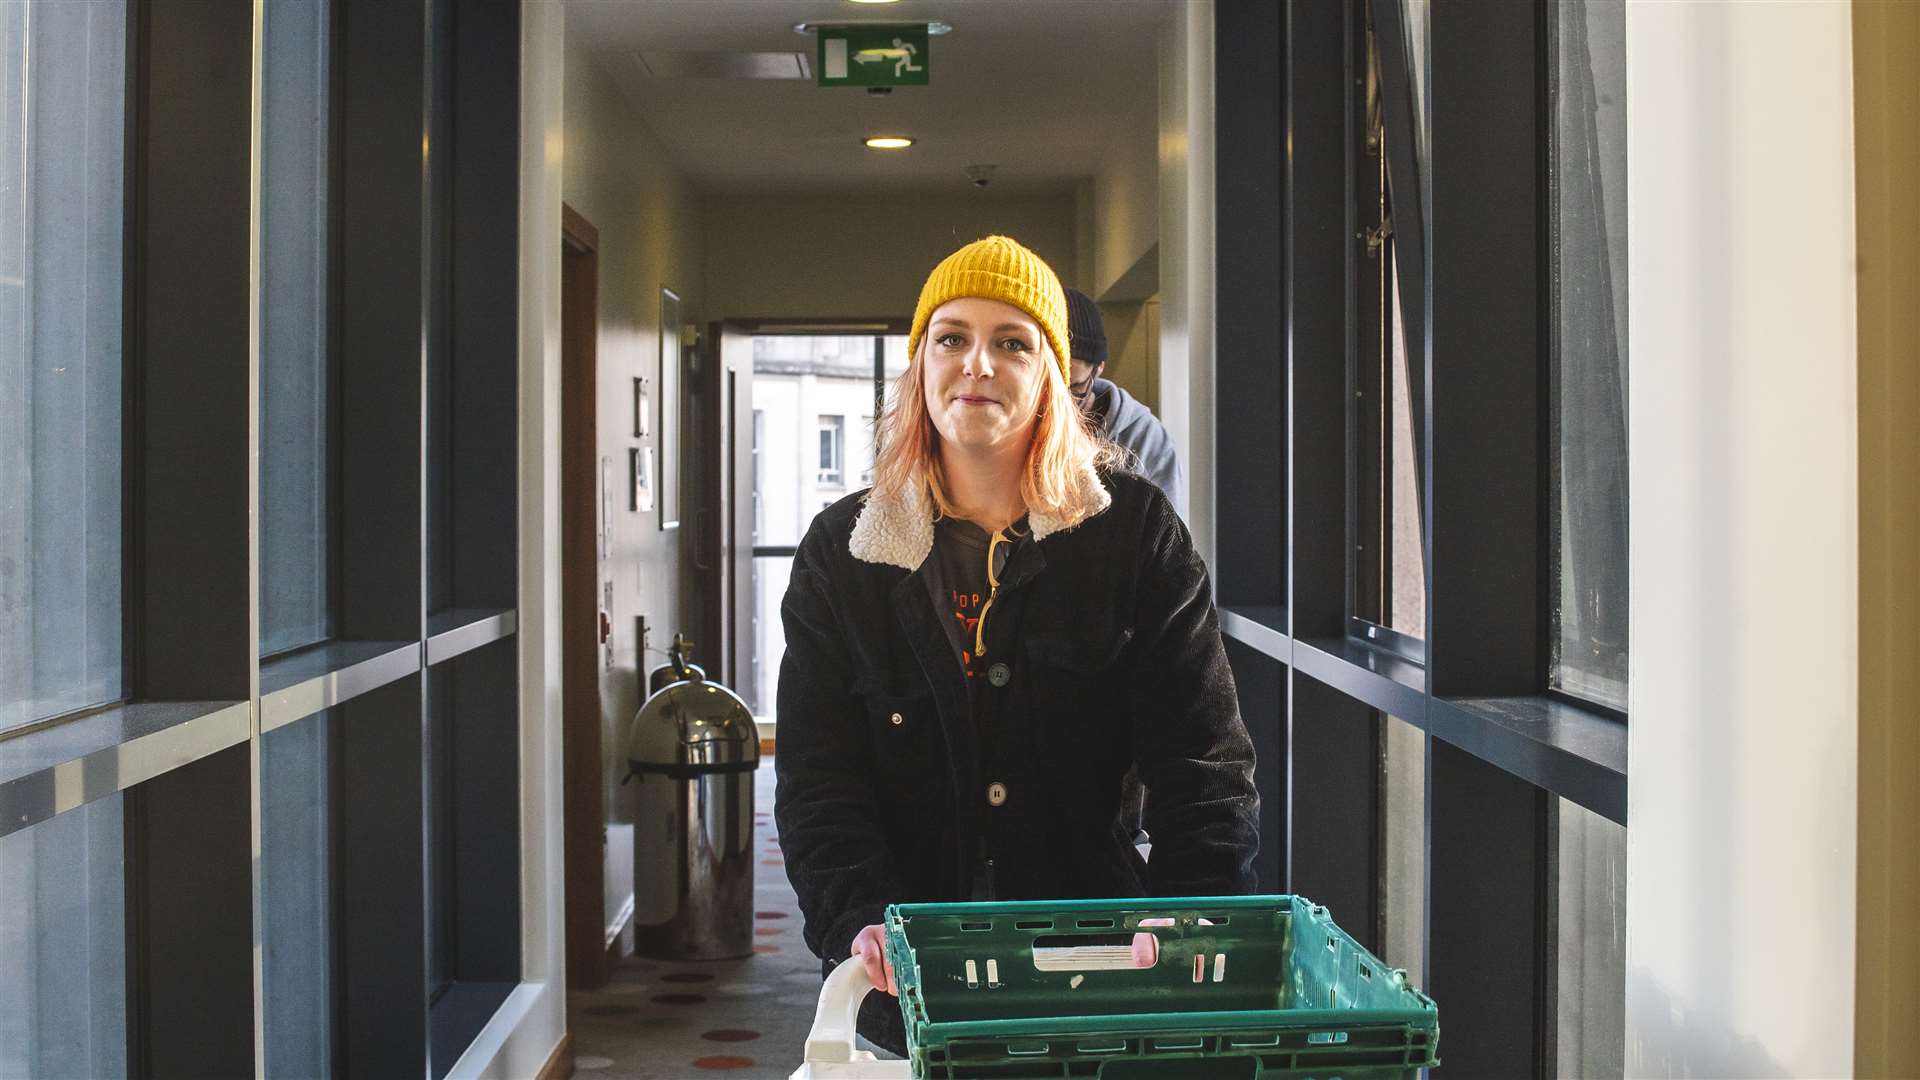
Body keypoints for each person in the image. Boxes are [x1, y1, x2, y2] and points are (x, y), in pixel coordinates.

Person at [774, 235, 1258, 1053]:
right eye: (952, 338)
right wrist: (859, 916)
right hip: (908, 978)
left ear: (1053, 379)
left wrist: (1184, 922)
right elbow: (820, 779)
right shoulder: (842, 551)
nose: (978, 364)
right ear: (920, 368)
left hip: (1102, 969)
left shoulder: (1134, 535)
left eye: (1012, 343)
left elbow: (1205, 765)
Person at [1063, 286, 1186, 510]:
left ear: (1099, 368)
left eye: (1073, 387)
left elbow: (1172, 537)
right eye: (1048, 387)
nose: (1058, 402)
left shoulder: (1145, 438)